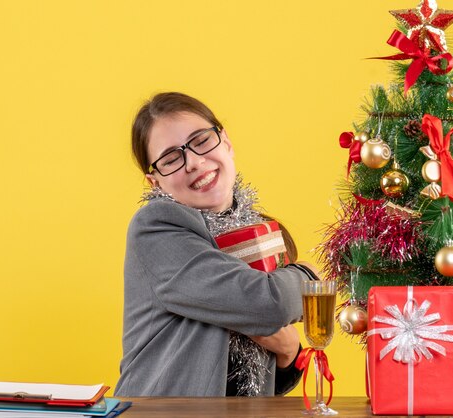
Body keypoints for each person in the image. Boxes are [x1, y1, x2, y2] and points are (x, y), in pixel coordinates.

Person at [114, 92, 318, 397]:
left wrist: (289, 354)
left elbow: (245, 377)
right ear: (155, 181)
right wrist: (310, 277)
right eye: (171, 158)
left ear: (226, 141)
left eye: (201, 141)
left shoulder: (255, 230)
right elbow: (266, 303)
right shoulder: (156, 226)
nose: (194, 162)